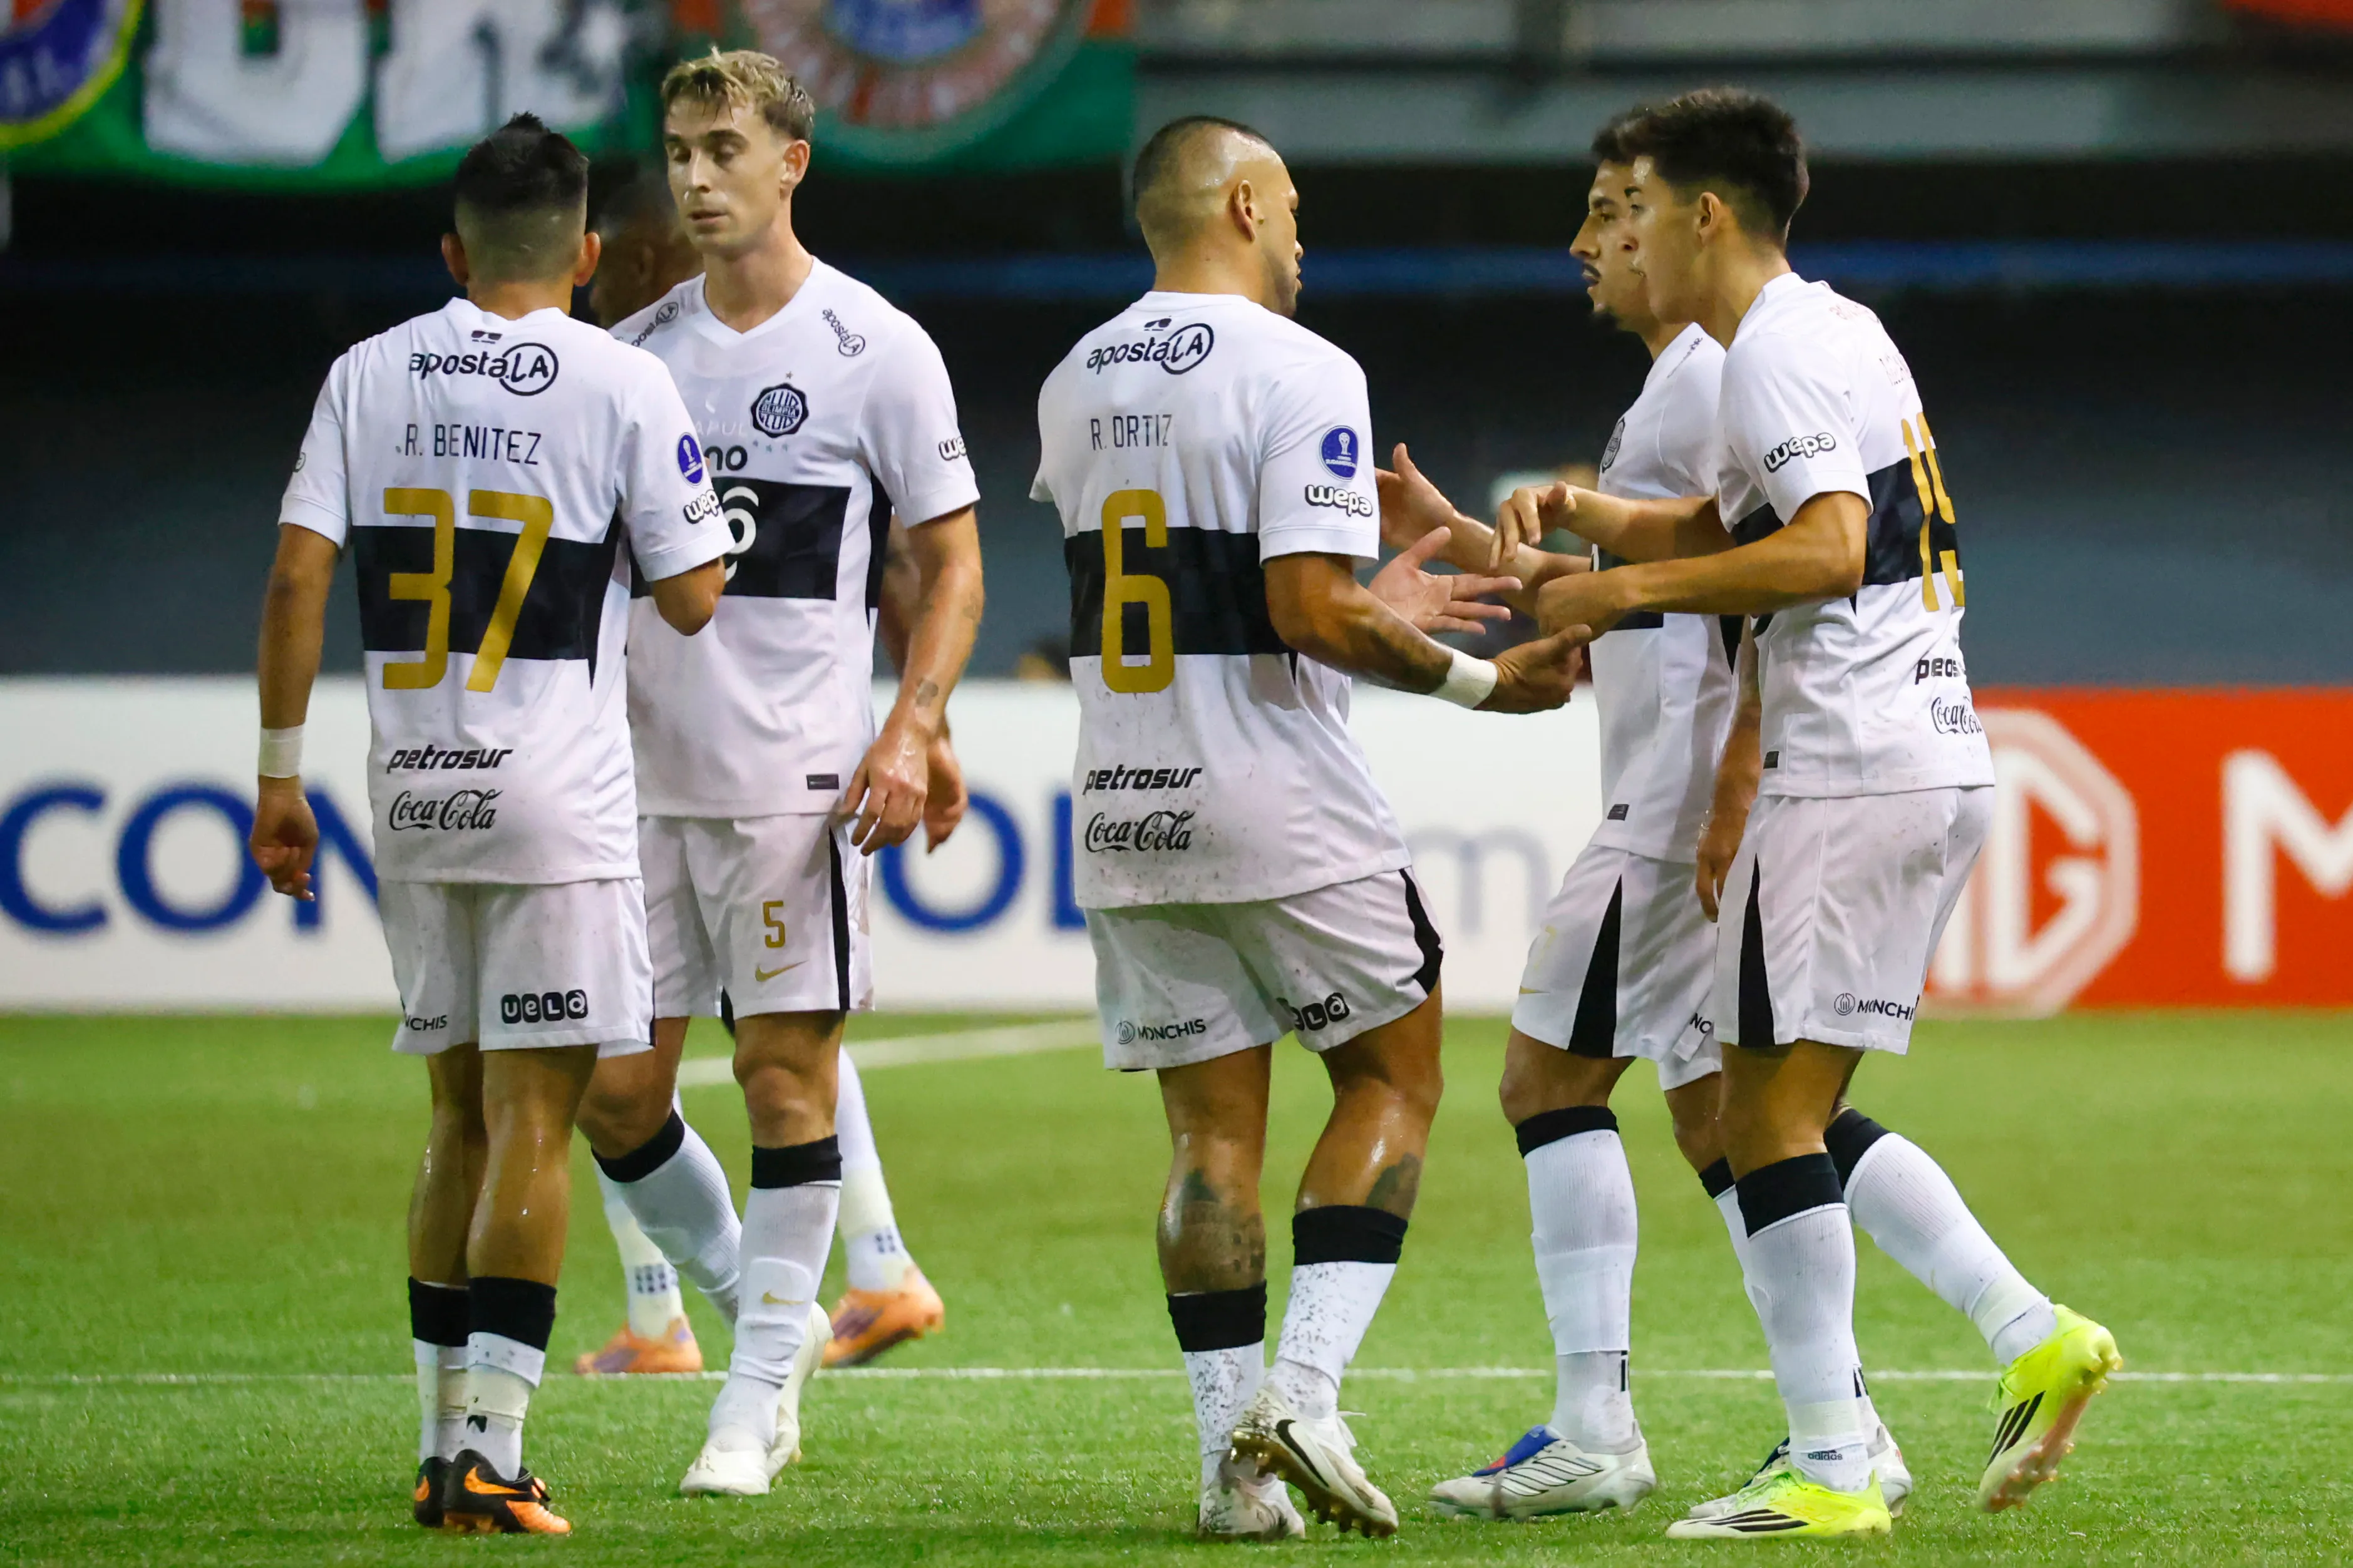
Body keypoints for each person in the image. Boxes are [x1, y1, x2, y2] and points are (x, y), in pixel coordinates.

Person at [1514, 88, 2121, 1539]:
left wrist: (1629, 592)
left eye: (1635, 208)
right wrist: (1601, 528)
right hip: (1914, 750)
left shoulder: (1768, 352)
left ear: (1704, 214)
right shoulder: (1832, 329)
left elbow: (1829, 547)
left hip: (1849, 761)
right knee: (1758, 1107)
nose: (1618, 235)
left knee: (1763, 1121)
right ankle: (2009, 1338)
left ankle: (1834, 1460)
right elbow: (1739, 529)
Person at [1031, 114, 1585, 1542]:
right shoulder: (1302, 368)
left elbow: (1190, 588)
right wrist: (1481, 680)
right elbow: (1299, 605)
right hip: (1274, 794)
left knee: (1208, 1136)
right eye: (1289, 206)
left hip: (1126, 797)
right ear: (1236, 200)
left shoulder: (1073, 378)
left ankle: (1233, 1477)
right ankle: (1308, 1391)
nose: (1301, 235)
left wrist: (1354, 609)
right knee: (1393, 1079)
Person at [247, 114, 728, 1535]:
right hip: (551, 799)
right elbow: (696, 596)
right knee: (536, 1116)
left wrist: (280, 775)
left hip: (414, 789)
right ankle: (493, 1451)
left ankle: (435, 1435)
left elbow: (293, 581)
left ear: (452, 254)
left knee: (453, 1113)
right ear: (587, 256)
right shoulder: (624, 380)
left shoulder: (365, 373)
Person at [600, 49, 986, 1499]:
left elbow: (950, 564)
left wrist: (911, 726)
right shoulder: (632, 354)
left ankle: (752, 1400)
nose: (695, 176)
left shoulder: (874, 346)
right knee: (614, 1100)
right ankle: (782, 1315)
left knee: (781, 1077)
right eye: (680, 151)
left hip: (793, 782)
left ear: (791, 163)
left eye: (722, 150)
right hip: (636, 785)